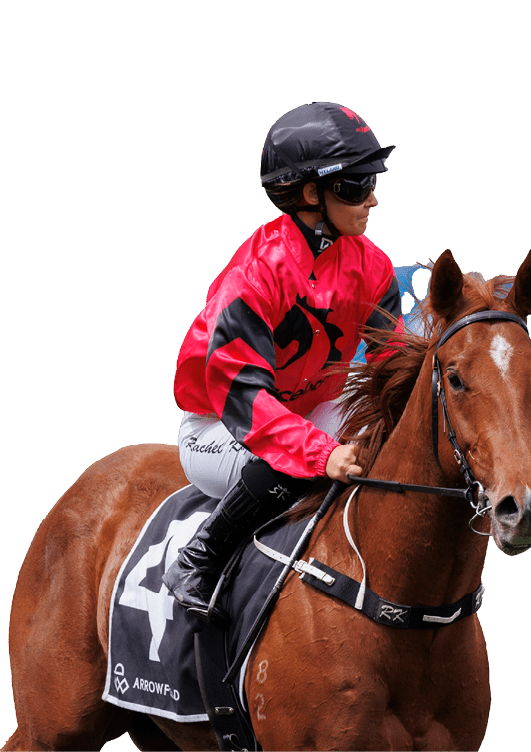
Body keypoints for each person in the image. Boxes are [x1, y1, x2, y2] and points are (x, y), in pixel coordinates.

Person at [163, 101, 403, 621]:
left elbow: (392, 370)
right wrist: (320, 454)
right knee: (300, 468)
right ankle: (198, 558)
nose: (373, 201)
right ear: (311, 194)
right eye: (357, 187)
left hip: (307, 407)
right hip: (223, 425)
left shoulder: (373, 266)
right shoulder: (253, 276)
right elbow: (243, 400)